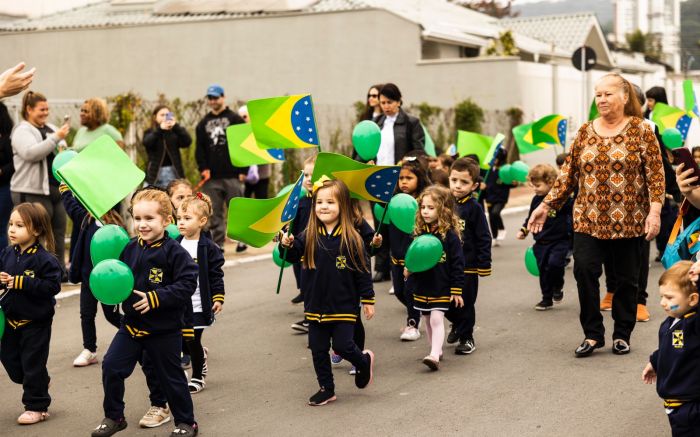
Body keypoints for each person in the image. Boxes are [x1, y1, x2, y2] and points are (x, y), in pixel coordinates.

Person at [528, 73, 665, 357]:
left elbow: (655, 176)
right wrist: (545, 206)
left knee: (627, 279)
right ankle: (593, 334)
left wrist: (655, 211)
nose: (601, 99)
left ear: (625, 97)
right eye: (598, 94)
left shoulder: (642, 130)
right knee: (584, 271)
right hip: (588, 219)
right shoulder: (586, 131)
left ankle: (622, 334)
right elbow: (568, 175)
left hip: (629, 220)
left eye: (608, 94)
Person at [91, 188, 199, 437]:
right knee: (111, 367)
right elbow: (116, 278)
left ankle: (186, 422)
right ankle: (114, 416)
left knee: (171, 378)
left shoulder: (175, 253)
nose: (142, 224)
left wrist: (156, 297)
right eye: (137, 219)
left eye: (149, 219)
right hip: (131, 327)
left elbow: (186, 284)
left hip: (163, 331)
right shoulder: (129, 249)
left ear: (166, 220)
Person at [279, 179, 375, 406]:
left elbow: (363, 271)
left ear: (343, 205)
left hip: (344, 305)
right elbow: (292, 256)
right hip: (315, 305)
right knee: (318, 349)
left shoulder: (353, 238)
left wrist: (368, 299)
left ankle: (363, 361)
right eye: (319, 202)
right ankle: (326, 388)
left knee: (342, 346)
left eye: (330, 202)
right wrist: (287, 244)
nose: (323, 206)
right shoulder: (307, 235)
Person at [0, 203, 62, 425]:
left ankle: (36, 406)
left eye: (19, 225)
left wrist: (22, 282)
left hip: (36, 323)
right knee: (13, 364)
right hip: (10, 321)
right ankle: (41, 380)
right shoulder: (7, 253)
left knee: (32, 364)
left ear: (36, 230)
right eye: (10, 224)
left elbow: (52, 286)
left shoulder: (45, 259)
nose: (12, 230)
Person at [59, 184, 124, 367]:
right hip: (89, 278)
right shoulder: (86, 220)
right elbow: (72, 207)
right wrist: (65, 192)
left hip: (108, 281)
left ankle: (136, 333)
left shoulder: (115, 227)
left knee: (111, 316)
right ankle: (90, 349)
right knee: (86, 314)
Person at [10, 91, 70, 275]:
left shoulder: (51, 127)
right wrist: (56, 138)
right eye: (41, 109)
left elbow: (63, 150)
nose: (46, 113)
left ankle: (58, 270)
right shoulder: (22, 130)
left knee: (58, 231)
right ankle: (29, 271)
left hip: (54, 189)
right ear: (29, 109)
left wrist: (61, 143)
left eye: (47, 109)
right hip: (31, 190)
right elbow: (30, 153)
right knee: (34, 233)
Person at [405, 185, 465, 370]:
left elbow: (457, 263)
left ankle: (433, 355)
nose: (425, 211)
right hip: (422, 285)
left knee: (437, 319)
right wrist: (408, 268)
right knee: (426, 318)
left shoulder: (449, 236)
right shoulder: (419, 233)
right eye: (423, 207)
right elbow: (413, 256)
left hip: (441, 285)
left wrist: (456, 289)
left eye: (431, 208)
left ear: (443, 208)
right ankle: (435, 349)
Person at [642, 260, 700, 436]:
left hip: (691, 405)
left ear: (693, 299)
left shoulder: (694, 324)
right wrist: (655, 362)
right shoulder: (671, 322)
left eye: (669, 297)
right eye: (661, 297)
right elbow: (670, 350)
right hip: (675, 403)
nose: (662, 303)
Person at [175, 193, 225, 394]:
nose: (181, 223)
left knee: (192, 339)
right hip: (179, 302)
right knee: (182, 341)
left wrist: (218, 297)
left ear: (202, 221)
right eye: (179, 218)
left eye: (187, 219)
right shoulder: (175, 244)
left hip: (198, 302)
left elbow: (215, 275)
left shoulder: (208, 248)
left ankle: (197, 375)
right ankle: (199, 356)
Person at [446, 157, 491, 354]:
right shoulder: (444, 205)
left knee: (465, 303)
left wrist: (484, 264)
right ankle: (456, 323)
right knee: (444, 301)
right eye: (454, 180)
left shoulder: (474, 209)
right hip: (446, 265)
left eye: (464, 182)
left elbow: (484, 237)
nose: (458, 185)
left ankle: (467, 337)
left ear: (474, 185)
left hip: (468, 267)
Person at [195, 85, 246, 252]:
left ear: (223, 97)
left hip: (233, 174)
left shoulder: (235, 119)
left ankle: (241, 240)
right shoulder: (202, 124)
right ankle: (218, 244)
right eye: (210, 98)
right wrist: (203, 168)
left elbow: (244, 145)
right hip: (212, 176)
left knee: (237, 210)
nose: (212, 101)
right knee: (214, 211)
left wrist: (243, 170)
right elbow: (200, 149)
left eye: (215, 97)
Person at [518, 164, 573, 310]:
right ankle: (546, 299)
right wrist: (524, 230)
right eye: (533, 185)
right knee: (544, 271)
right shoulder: (536, 200)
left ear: (550, 182)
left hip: (560, 241)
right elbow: (531, 217)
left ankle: (558, 285)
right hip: (541, 242)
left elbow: (571, 215)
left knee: (555, 264)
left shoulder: (563, 199)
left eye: (538, 185)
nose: (535, 189)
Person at [390, 157, 431, 341]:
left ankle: (412, 324)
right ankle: (418, 310)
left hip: (414, 257)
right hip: (396, 255)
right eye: (401, 178)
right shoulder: (394, 201)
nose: (404, 181)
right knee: (399, 291)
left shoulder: (425, 204)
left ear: (419, 179)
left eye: (409, 178)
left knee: (409, 291)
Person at [290, 155, 315, 318]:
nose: (308, 179)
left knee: (315, 284)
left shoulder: (326, 201)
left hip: (318, 249)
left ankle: (310, 317)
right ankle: (309, 315)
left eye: (313, 174)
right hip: (301, 247)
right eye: (305, 175)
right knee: (301, 275)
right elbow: (294, 223)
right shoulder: (301, 201)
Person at [375, 83, 425, 166]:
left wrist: (405, 161)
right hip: (378, 171)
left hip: (401, 173)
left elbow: (419, 152)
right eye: (383, 103)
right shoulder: (376, 122)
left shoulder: (411, 123)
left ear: (398, 102)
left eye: (389, 102)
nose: (386, 106)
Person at [143, 105, 192, 188]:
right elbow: (147, 142)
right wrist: (160, 129)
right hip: (154, 174)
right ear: (155, 117)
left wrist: (176, 126)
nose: (165, 117)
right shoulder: (150, 132)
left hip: (173, 173)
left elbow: (187, 142)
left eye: (167, 115)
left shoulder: (174, 131)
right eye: (162, 115)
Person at [483, 148, 514, 246]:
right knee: (491, 218)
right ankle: (495, 237)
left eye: (496, 158)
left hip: (501, 198)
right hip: (489, 197)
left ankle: (501, 228)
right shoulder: (489, 170)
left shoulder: (505, 170)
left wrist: (513, 183)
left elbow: (511, 183)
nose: (494, 160)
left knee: (495, 213)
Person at [239, 105, 270, 200]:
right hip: (244, 175)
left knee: (261, 202)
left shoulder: (262, 131)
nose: (242, 120)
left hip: (262, 174)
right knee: (244, 202)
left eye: (244, 117)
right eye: (239, 117)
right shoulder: (239, 133)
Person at [0, 102, 15, 248]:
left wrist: (1, 171)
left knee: (1, 226)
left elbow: (14, 163)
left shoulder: (7, 139)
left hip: (4, 187)